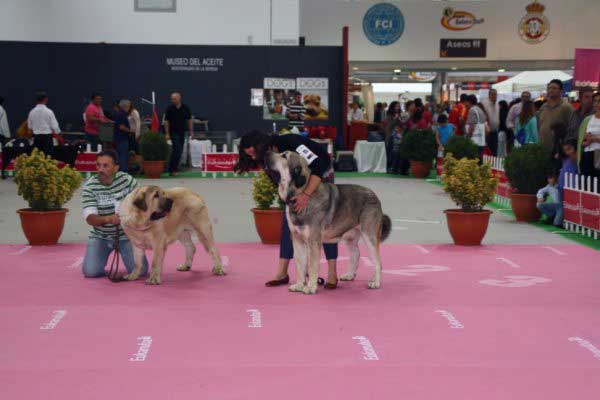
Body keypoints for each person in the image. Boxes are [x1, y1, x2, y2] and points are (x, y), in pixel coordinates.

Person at [234, 130, 338, 289]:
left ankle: (332, 273)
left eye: (253, 153)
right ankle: (282, 272)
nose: (252, 157)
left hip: (320, 174)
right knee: (288, 225)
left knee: (324, 224)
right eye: (248, 155)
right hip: (296, 184)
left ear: (261, 145)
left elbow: (319, 164)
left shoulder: (290, 142)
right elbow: (280, 182)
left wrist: (306, 194)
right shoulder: (266, 158)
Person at [81, 150, 148, 278]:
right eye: (98, 165)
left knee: (142, 272)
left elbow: (143, 204)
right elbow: (90, 219)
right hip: (101, 236)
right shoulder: (90, 187)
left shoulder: (127, 180)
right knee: (90, 271)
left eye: (105, 165)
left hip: (127, 235)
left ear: (116, 167)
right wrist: (108, 219)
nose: (100, 169)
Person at [538, 79, 573, 151]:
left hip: (558, 149)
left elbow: (572, 128)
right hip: (542, 148)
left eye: (554, 88)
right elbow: (540, 125)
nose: (551, 90)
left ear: (561, 91)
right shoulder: (543, 107)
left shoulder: (566, 107)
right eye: (549, 88)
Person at [164, 92, 193, 176]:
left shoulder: (185, 108)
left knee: (179, 151)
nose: (172, 100)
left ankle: (173, 168)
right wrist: (167, 133)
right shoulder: (169, 109)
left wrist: (191, 131)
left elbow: (189, 120)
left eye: (174, 99)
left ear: (179, 98)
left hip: (182, 132)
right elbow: (166, 121)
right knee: (177, 150)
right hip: (173, 132)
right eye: (172, 99)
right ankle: (172, 170)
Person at [27, 91, 60, 156]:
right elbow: (55, 127)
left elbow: (29, 129)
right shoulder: (49, 112)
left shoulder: (32, 112)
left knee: (37, 160)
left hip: (36, 139)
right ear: (45, 99)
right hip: (47, 140)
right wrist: (58, 134)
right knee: (48, 159)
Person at [578, 92, 600, 179]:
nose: (597, 104)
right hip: (587, 155)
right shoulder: (587, 119)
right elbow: (581, 143)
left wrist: (594, 139)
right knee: (587, 186)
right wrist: (588, 141)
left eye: (599, 101)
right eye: (595, 101)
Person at [113, 100, 135, 172]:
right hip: (122, 138)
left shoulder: (120, 113)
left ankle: (120, 171)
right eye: (129, 106)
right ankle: (123, 172)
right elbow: (121, 127)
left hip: (119, 138)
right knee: (123, 156)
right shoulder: (121, 114)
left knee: (121, 155)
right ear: (125, 106)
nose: (129, 108)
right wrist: (130, 131)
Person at [481, 89, 500, 156]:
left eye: (495, 94)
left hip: (495, 132)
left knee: (494, 151)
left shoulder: (497, 105)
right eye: (493, 94)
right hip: (486, 132)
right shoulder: (484, 104)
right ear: (489, 95)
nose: (495, 96)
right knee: (487, 152)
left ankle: (493, 165)